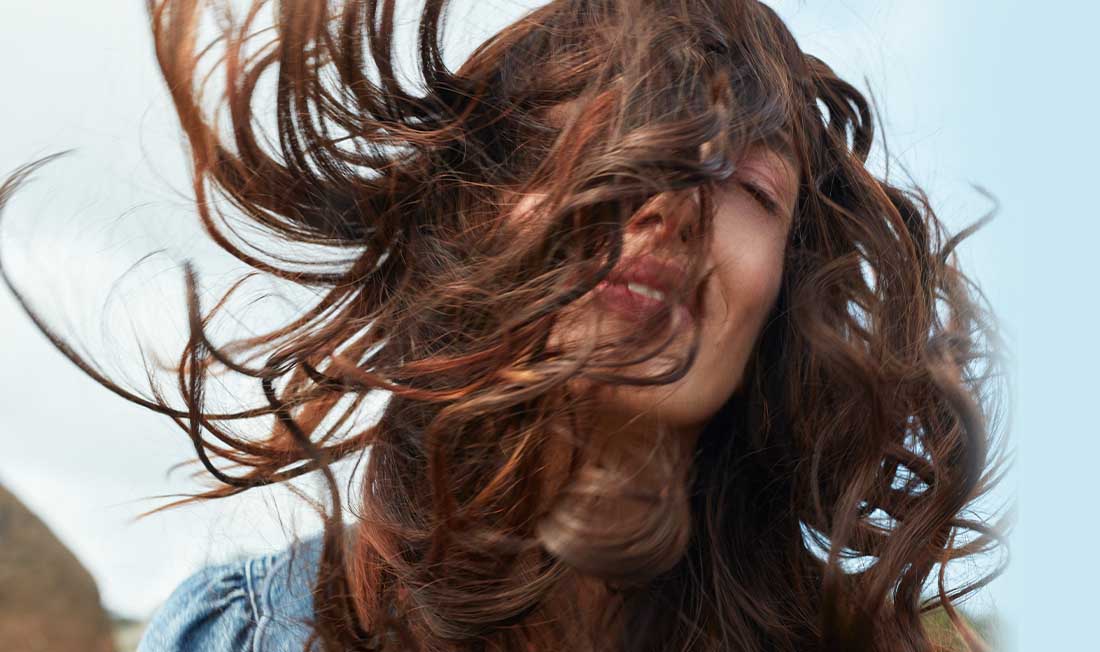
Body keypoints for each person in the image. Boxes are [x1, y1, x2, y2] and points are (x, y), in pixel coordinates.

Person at [0, 0, 1009, 650]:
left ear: (780, 299)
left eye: (746, 183)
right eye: (605, 148)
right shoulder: (247, 632)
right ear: (474, 209)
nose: (669, 210)